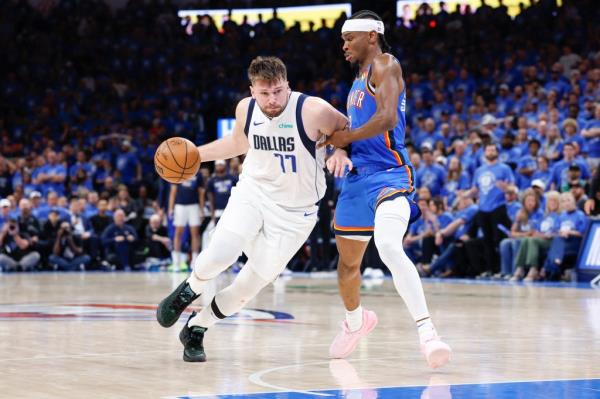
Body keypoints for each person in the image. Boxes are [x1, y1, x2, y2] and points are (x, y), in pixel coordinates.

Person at [155, 56, 349, 362]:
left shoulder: (313, 110)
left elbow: (346, 128)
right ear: (252, 90)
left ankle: (196, 328)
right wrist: (194, 156)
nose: (272, 100)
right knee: (221, 252)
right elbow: (238, 143)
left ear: (288, 85)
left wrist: (339, 149)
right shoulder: (245, 108)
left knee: (247, 288)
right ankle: (188, 290)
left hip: (296, 214)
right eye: (264, 93)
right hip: (253, 193)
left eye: (277, 91)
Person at [319, 10, 450, 368]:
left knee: (389, 245)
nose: (343, 45)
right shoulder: (357, 80)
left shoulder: (386, 64)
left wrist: (345, 137)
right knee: (347, 266)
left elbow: (389, 117)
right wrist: (342, 146)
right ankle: (356, 322)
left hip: (390, 173)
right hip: (356, 181)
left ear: (372, 37)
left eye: (350, 38)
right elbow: (352, 125)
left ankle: (428, 334)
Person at [168, 170, 205, 271]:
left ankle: (194, 262)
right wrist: (170, 208)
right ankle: (176, 262)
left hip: (194, 205)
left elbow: (201, 193)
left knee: (195, 234)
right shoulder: (177, 171)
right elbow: (173, 192)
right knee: (178, 233)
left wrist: (201, 209)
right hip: (180, 205)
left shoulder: (198, 173)